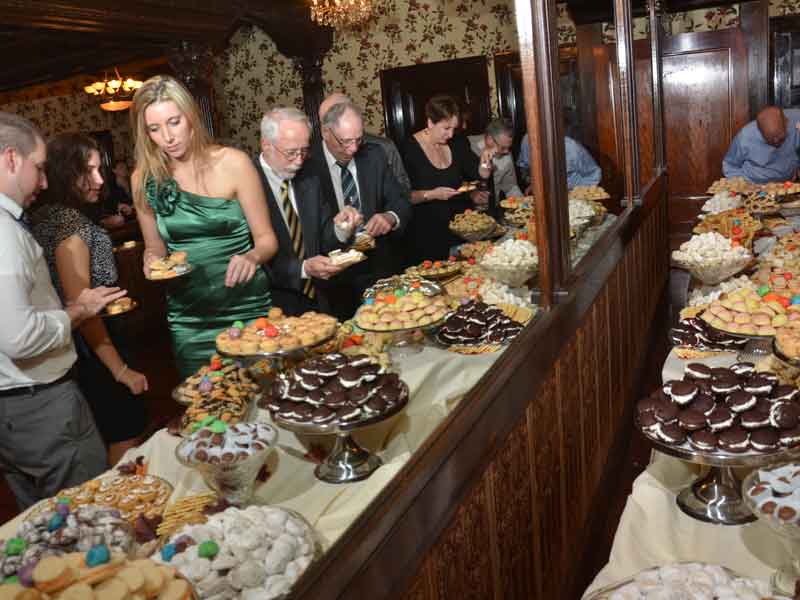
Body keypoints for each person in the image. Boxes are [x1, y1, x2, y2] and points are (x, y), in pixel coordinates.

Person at [0, 112, 124, 508]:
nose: (44, 181)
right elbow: (19, 336)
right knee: (89, 518)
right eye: (39, 168)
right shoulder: (4, 233)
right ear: (10, 159)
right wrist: (77, 311)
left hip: (15, 411)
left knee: (43, 526)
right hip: (40, 404)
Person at [130, 75, 279, 377]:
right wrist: (151, 262)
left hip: (246, 306)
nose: (168, 137)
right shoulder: (143, 179)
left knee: (264, 396)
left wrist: (252, 257)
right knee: (207, 409)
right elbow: (155, 248)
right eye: (155, 129)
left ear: (191, 117)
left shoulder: (234, 163)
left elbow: (267, 239)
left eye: (174, 122)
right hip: (189, 317)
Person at [31, 133, 148, 466]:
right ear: (66, 174)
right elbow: (82, 308)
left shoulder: (44, 215)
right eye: (89, 172)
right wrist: (120, 369)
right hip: (96, 347)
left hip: (76, 347)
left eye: (101, 170)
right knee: (124, 435)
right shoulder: (70, 225)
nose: (99, 180)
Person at [306, 100, 412, 320]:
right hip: (334, 278)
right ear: (326, 132)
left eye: (358, 139)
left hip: (377, 268)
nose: (353, 149)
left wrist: (390, 217)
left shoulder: (374, 155)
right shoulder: (307, 165)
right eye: (345, 141)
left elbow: (400, 200)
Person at [254, 107, 360, 316]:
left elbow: (322, 238)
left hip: (319, 304)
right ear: (266, 145)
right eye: (291, 152)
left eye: (304, 151)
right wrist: (302, 269)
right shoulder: (247, 183)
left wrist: (340, 229)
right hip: (271, 309)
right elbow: (251, 260)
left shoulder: (309, 175)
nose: (299, 160)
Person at [400, 94, 494, 265]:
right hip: (426, 236)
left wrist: (487, 162)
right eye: (446, 128)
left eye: (454, 128)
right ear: (430, 123)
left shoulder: (457, 142)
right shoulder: (407, 149)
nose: (451, 134)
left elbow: (481, 174)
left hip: (460, 232)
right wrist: (430, 195)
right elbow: (401, 196)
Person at [318, 92, 411, 192]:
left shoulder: (381, 148)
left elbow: (403, 192)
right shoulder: (310, 159)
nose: (353, 148)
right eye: (324, 122)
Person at [722, 106, 800, 184]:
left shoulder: (797, 119)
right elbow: (729, 165)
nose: (776, 142)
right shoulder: (745, 137)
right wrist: (742, 185)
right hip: (754, 184)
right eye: (770, 140)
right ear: (759, 130)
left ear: (786, 123)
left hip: (787, 185)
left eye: (780, 138)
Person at [517, 134, 601, 191]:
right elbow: (524, 168)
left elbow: (594, 174)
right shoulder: (527, 141)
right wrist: (532, 183)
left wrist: (578, 194)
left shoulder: (572, 148)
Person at [468, 118, 523, 202]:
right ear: (489, 139)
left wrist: (523, 204)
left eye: (508, 147)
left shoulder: (506, 153)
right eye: (503, 147)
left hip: (493, 208)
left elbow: (510, 186)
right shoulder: (467, 146)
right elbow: (455, 181)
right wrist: (470, 193)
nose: (507, 151)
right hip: (466, 210)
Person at [102, 159, 134, 227]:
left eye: (125, 167)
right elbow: (113, 206)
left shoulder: (132, 182)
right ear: (114, 170)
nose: (124, 169)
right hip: (123, 221)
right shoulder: (111, 187)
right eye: (121, 167)